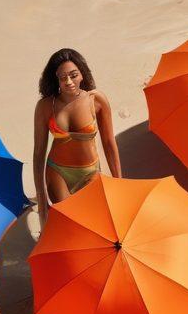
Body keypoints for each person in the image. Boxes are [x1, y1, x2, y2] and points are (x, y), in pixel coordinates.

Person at [32, 48, 121, 225]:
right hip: (58, 172)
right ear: (55, 79)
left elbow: (109, 143)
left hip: (91, 172)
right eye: (62, 77)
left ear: (82, 74)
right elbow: (38, 154)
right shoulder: (45, 106)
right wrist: (42, 202)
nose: (69, 82)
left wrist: (119, 184)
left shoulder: (96, 100)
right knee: (71, 224)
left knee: (96, 223)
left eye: (73, 75)